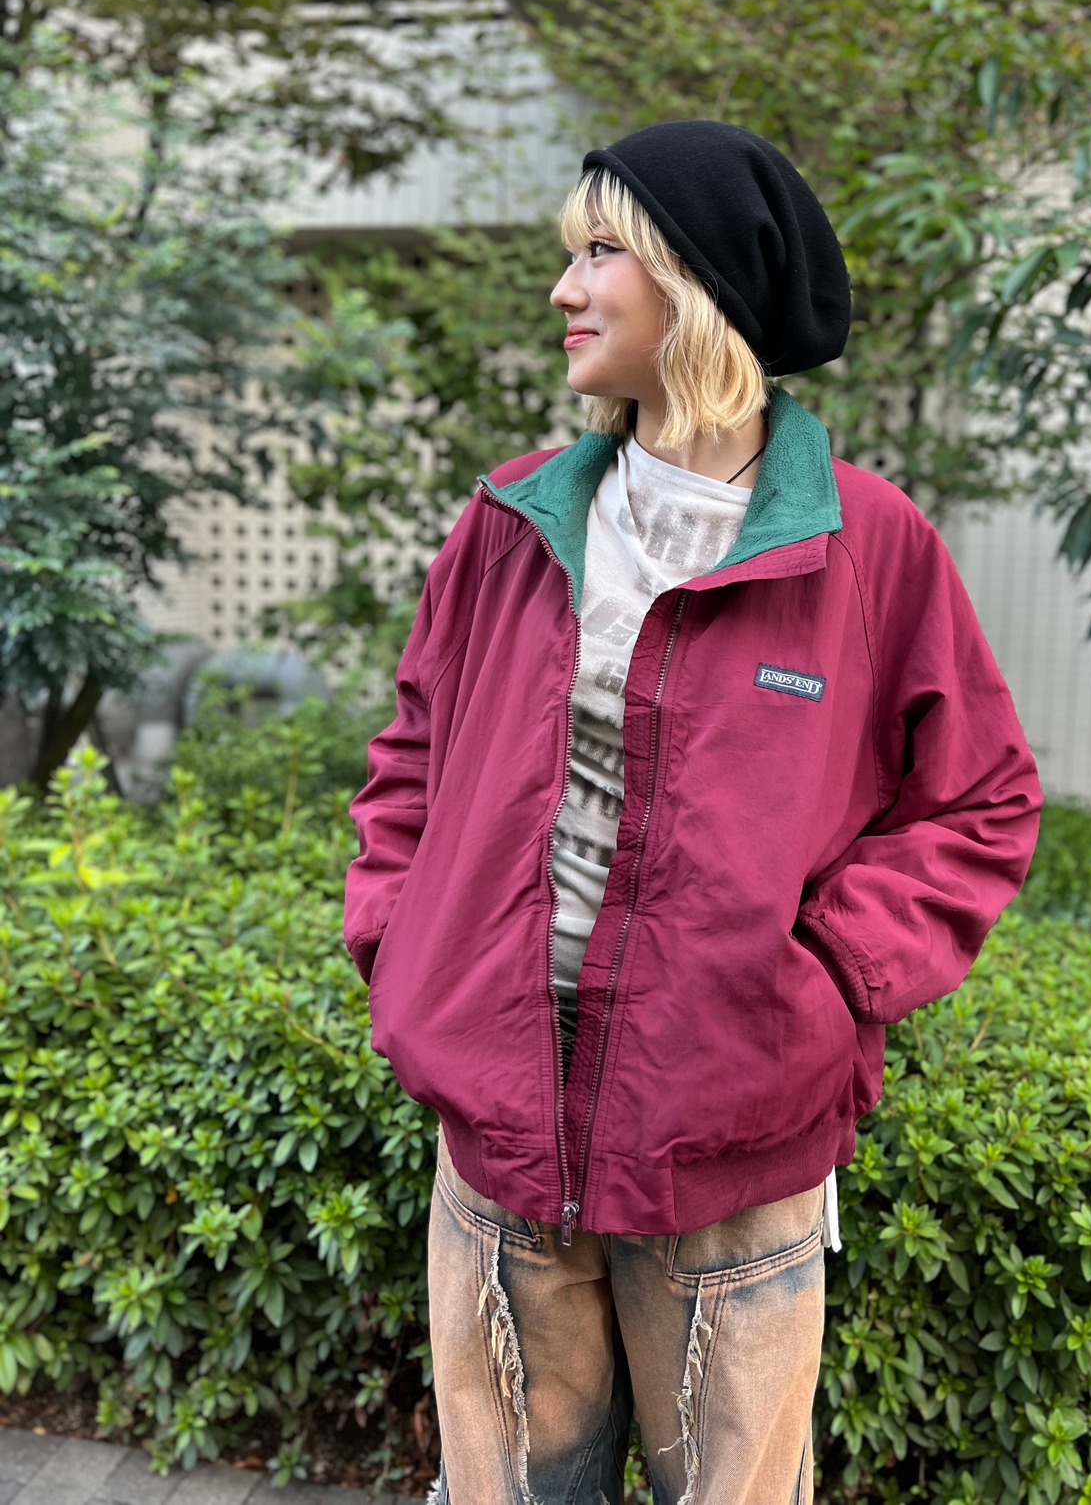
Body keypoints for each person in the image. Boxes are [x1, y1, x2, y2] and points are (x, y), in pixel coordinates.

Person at [343, 119, 1043, 1505]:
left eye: (600, 252)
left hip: (729, 1147)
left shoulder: (863, 545)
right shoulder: (511, 523)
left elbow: (980, 802)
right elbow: (413, 755)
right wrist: (400, 940)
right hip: (500, 1123)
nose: (564, 288)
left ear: (696, 283)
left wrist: (822, 979)